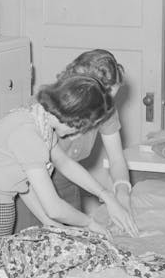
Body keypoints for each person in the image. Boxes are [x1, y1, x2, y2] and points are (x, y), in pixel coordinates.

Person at [0, 74, 138, 278]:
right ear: (74, 119)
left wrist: (103, 194)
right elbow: (54, 206)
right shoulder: (28, 133)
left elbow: (58, 167)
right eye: (82, 127)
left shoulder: (42, 123)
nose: (79, 134)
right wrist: (88, 223)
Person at [50, 49, 137, 232]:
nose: (106, 106)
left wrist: (122, 194)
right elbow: (61, 162)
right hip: (30, 188)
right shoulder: (49, 109)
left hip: (69, 185)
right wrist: (106, 196)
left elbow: (116, 159)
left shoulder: (106, 109)